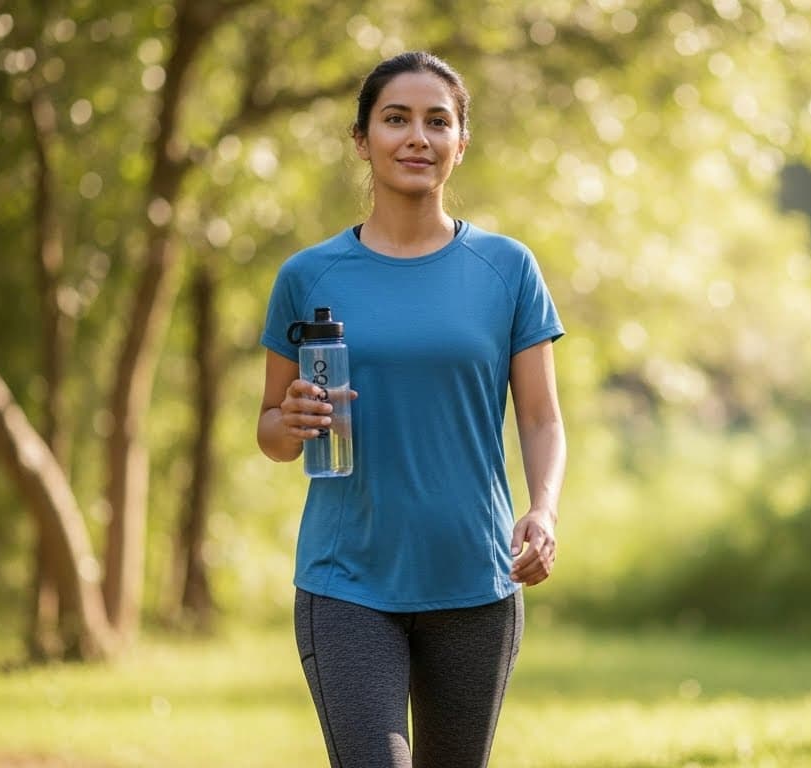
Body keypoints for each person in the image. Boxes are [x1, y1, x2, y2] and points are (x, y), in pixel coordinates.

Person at [256, 51, 566, 768]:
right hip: (347, 582)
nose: (416, 137)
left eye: (437, 121)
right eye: (395, 119)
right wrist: (292, 418)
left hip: (474, 581)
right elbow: (270, 431)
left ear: (461, 143)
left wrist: (543, 509)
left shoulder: (507, 268)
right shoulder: (307, 276)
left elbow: (541, 416)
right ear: (362, 139)